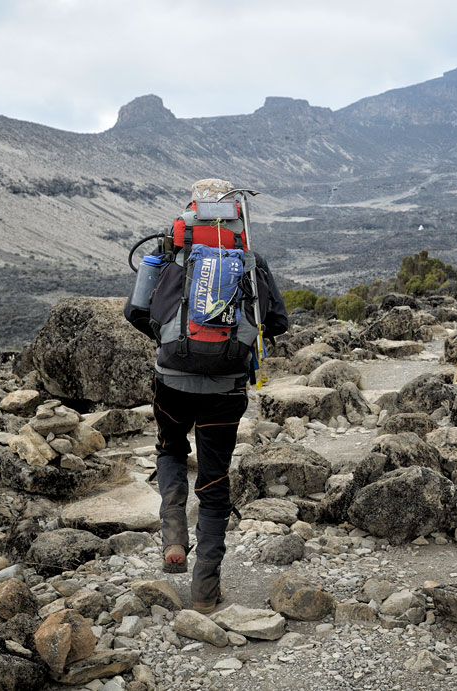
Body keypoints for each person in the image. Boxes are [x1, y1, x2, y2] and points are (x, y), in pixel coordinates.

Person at [124, 178, 288, 613]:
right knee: (215, 484)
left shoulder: (169, 252)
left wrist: (169, 342)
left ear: (191, 209)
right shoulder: (249, 257)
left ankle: (174, 535)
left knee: (171, 447)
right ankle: (205, 593)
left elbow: (135, 311)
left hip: (171, 380)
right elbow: (277, 322)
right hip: (226, 389)